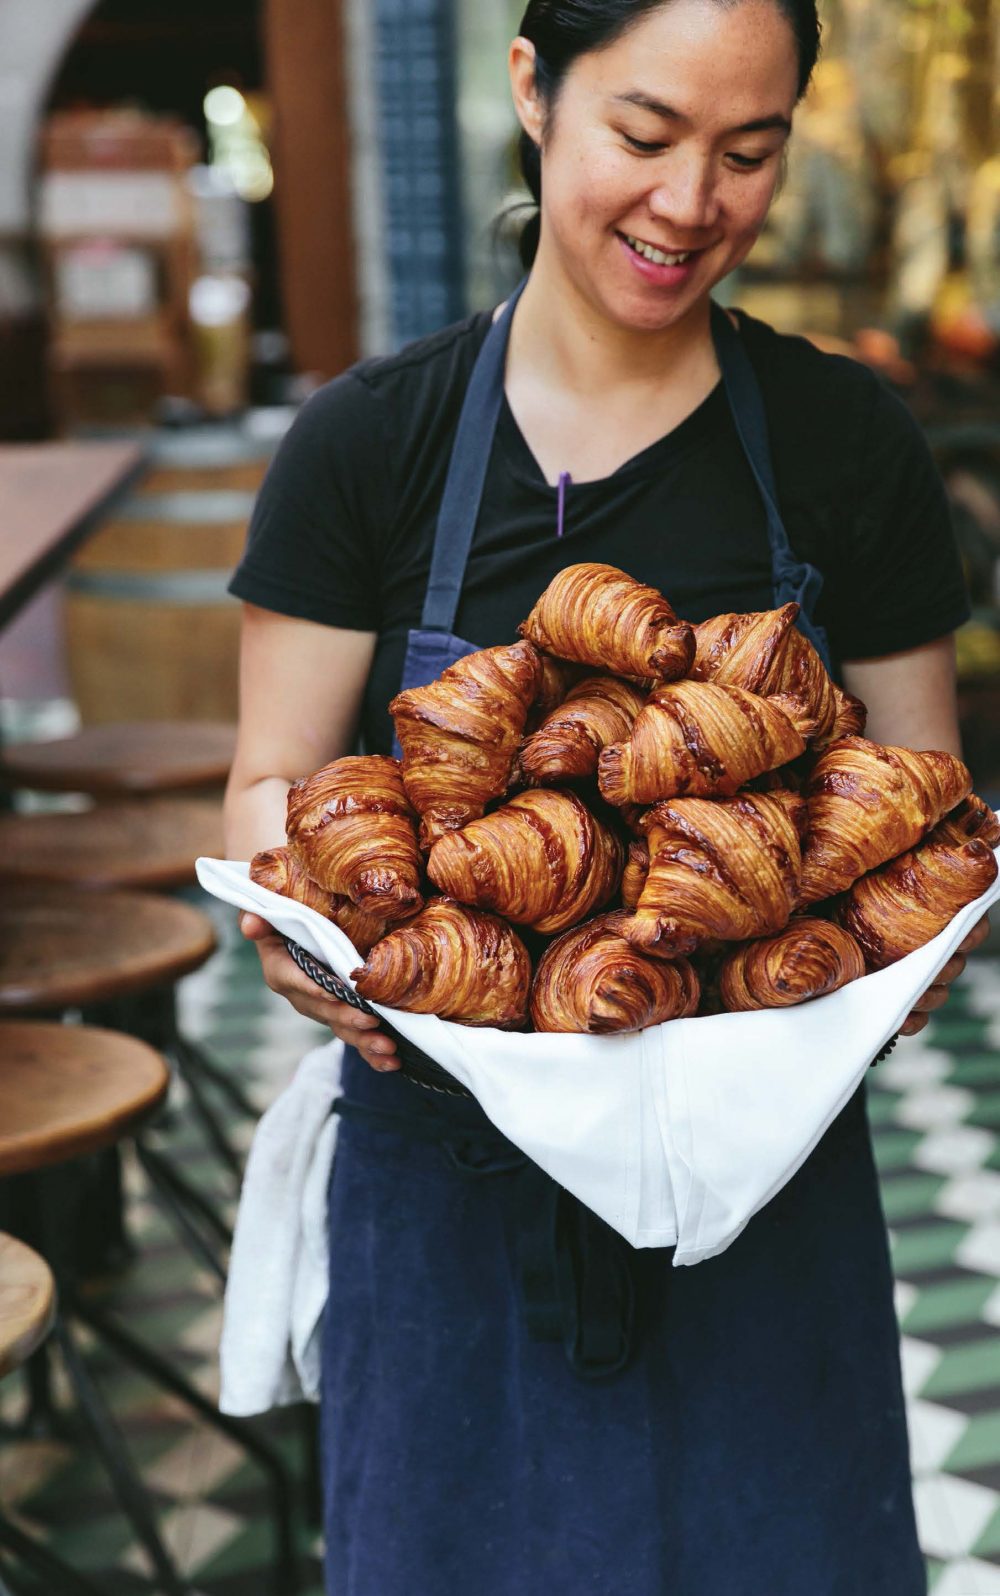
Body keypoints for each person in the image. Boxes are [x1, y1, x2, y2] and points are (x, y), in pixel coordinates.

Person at [224, 2, 989, 1590]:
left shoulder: (848, 443)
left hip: (761, 1187)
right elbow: (270, 790)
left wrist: (911, 958)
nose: (689, 202)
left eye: (748, 151)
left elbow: (926, 819)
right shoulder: (370, 445)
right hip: (444, 1185)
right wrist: (297, 931)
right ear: (532, 91)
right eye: (643, 136)